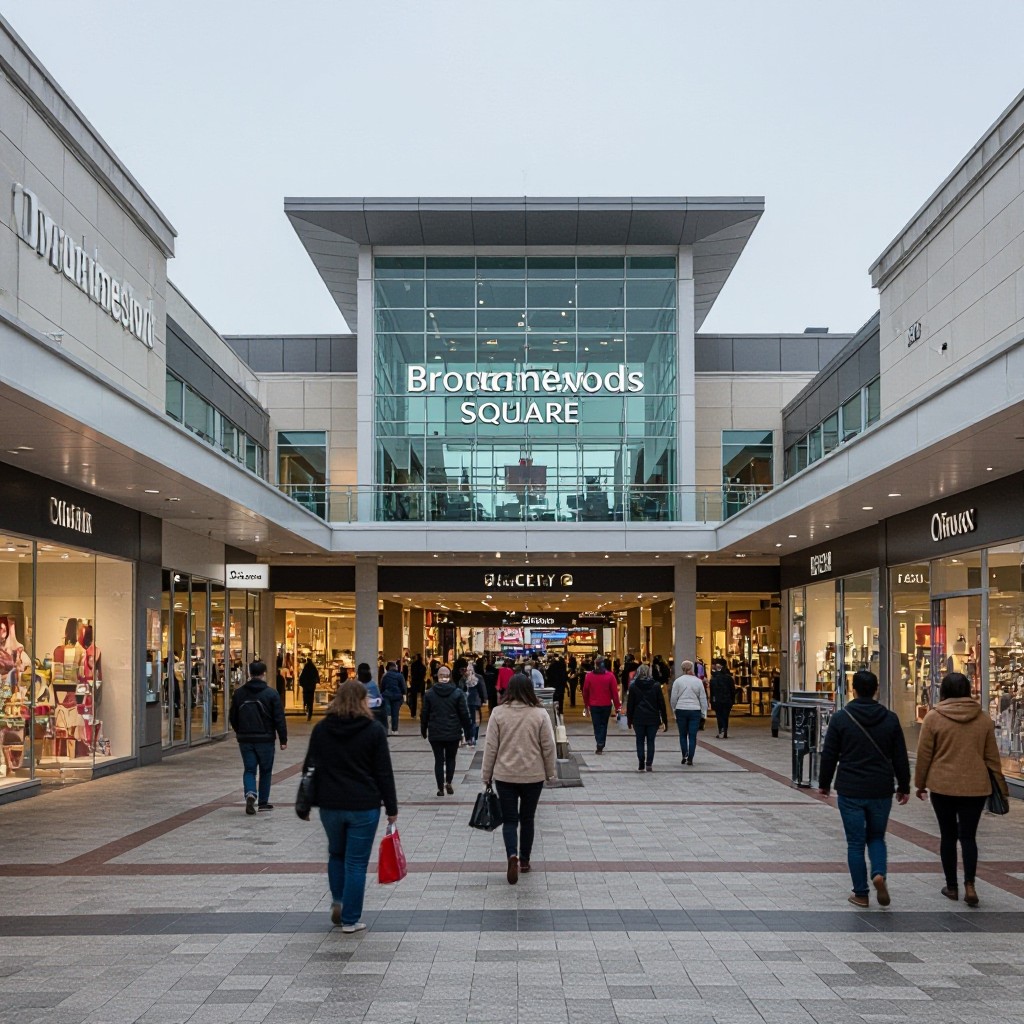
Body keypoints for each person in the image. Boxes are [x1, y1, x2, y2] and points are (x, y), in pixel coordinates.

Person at [302, 680, 398, 933]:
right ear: (363, 701)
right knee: (356, 863)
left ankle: (338, 900)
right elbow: (383, 772)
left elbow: (310, 766)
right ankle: (350, 919)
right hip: (363, 805)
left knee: (336, 853)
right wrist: (391, 807)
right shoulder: (373, 730)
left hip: (330, 804)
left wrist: (306, 800)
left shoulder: (322, 729)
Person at [817, 670, 911, 908]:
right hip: (881, 787)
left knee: (855, 842)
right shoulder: (890, 718)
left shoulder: (841, 718)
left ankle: (861, 893)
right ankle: (878, 873)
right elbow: (900, 755)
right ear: (876, 689)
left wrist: (824, 784)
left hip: (851, 788)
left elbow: (829, 754)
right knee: (877, 836)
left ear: (853, 689)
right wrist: (904, 785)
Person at [915, 672, 1009, 907]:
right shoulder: (983, 719)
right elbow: (992, 758)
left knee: (948, 836)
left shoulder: (933, 718)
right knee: (968, 837)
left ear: (943, 691)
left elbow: (924, 755)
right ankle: (970, 883)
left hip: (942, 785)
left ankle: (952, 886)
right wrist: (1001, 786)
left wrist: (920, 783)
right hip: (976, 786)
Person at [481, 673, 557, 884]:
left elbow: (490, 747)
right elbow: (548, 746)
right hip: (533, 775)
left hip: (505, 775)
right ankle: (524, 860)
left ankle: (511, 855)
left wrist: (486, 774)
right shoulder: (540, 714)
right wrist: (550, 772)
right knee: (528, 818)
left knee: (510, 820)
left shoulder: (498, 713)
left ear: (509, 690)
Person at [228, 660, 287, 814]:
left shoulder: (239, 693)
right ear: (264, 674)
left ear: (249, 673)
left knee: (249, 769)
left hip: (245, 739)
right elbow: (279, 718)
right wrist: (283, 739)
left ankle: (250, 793)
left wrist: (239, 731)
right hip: (265, 739)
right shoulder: (271, 693)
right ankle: (263, 802)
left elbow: (232, 716)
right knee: (266, 770)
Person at [421, 666, 471, 795]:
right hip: (453, 732)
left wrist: (423, 729)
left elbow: (424, 713)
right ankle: (448, 782)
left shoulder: (429, 693)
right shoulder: (457, 693)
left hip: (435, 732)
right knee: (451, 758)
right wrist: (468, 732)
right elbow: (464, 714)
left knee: (438, 760)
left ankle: (440, 788)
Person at [626, 663, 668, 771]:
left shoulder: (633, 686)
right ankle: (649, 763)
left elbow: (630, 705)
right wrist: (664, 720)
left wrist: (629, 720)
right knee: (651, 741)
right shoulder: (656, 686)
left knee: (639, 740)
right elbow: (661, 704)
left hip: (638, 718)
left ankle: (641, 762)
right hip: (653, 718)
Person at [670, 660, 707, 766]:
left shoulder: (678, 681)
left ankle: (684, 754)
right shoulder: (698, 681)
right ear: (692, 668)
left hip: (681, 709)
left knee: (682, 734)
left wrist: (674, 709)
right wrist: (703, 712)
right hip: (695, 710)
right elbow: (703, 698)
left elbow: (673, 698)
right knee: (692, 735)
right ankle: (690, 757)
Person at [582, 657, 621, 754]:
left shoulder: (589, 676)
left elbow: (585, 692)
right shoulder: (610, 676)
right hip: (606, 704)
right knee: (604, 725)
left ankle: (599, 742)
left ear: (595, 665)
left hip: (594, 705)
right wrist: (617, 706)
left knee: (596, 725)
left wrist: (586, 705)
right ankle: (601, 743)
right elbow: (614, 693)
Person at [708, 659, 735, 739]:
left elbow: (712, 692)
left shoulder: (713, 679)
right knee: (725, 716)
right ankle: (725, 729)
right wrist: (732, 700)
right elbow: (732, 690)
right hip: (727, 699)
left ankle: (721, 730)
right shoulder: (729, 678)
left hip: (717, 700)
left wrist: (711, 701)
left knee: (719, 715)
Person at [462, 663, 487, 747]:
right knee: (475, 720)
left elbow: (460, 689)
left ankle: (468, 738)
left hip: (466, 702)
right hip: (475, 702)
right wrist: (483, 699)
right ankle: (474, 737)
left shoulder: (464, 678)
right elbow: (481, 689)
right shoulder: (478, 678)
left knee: (467, 720)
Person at [357, 662, 388, 730]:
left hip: (360, 712)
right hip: (375, 711)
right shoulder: (373, 684)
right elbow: (380, 698)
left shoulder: (356, 685)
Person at [380, 661, 407, 735]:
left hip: (387, 696)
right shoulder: (400, 675)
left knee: (387, 712)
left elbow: (382, 686)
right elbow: (403, 686)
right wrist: (404, 694)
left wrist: (381, 693)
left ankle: (386, 729)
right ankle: (395, 730)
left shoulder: (385, 676)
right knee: (395, 713)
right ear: (395, 667)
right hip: (397, 697)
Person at [299, 658, 320, 722]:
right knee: (311, 700)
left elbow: (301, 677)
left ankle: (306, 706)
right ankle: (310, 712)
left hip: (306, 687)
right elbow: (317, 676)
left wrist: (302, 684)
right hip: (311, 687)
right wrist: (317, 682)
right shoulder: (313, 668)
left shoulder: (305, 669)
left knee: (306, 698)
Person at [408, 653, 427, 718]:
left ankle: (413, 713)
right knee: (422, 698)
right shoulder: (423, 666)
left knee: (414, 698)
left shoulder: (413, 665)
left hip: (414, 682)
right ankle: (423, 712)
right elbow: (424, 675)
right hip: (421, 682)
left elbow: (412, 673)